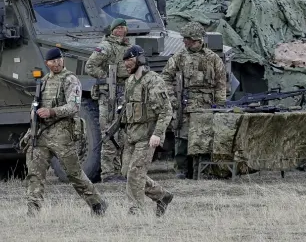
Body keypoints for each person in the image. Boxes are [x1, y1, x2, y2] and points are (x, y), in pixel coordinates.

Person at [23, 47, 107, 217]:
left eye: (59, 60)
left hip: (62, 133)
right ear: (47, 63)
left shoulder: (70, 80)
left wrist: (52, 112)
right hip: (42, 134)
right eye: (53, 61)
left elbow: (73, 106)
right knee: (35, 172)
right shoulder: (44, 82)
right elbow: (35, 106)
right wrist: (33, 119)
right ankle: (33, 211)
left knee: (74, 174)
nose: (57, 63)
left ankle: (97, 203)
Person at [160, 22, 227, 178]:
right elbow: (165, 77)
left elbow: (221, 82)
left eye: (188, 39)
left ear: (197, 39)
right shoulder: (179, 57)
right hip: (185, 103)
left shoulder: (213, 58)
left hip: (206, 105)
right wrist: (172, 98)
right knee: (182, 137)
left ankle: (202, 171)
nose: (185, 42)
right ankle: (181, 170)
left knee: (204, 138)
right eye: (184, 39)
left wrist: (220, 105)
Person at [120, 45, 174, 216]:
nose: (127, 64)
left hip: (147, 135)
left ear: (140, 59)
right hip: (131, 135)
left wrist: (157, 134)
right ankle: (162, 196)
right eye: (125, 61)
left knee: (135, 172)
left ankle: (135, 211)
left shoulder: (153, 80)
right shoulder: (129, 82)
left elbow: (166, 110)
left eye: (130, 60)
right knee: (126, 172)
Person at [84, 17, 131, 182]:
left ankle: (118, 171)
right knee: (109, 132)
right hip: (108, 95)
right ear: (112, 30)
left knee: (122, 134)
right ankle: (108, 173)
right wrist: (107, 76)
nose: (120, 31)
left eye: (123, 28)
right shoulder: (105, 47)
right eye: (117, 28)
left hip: (123, 94)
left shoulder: (128, 47)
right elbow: (90, 66)